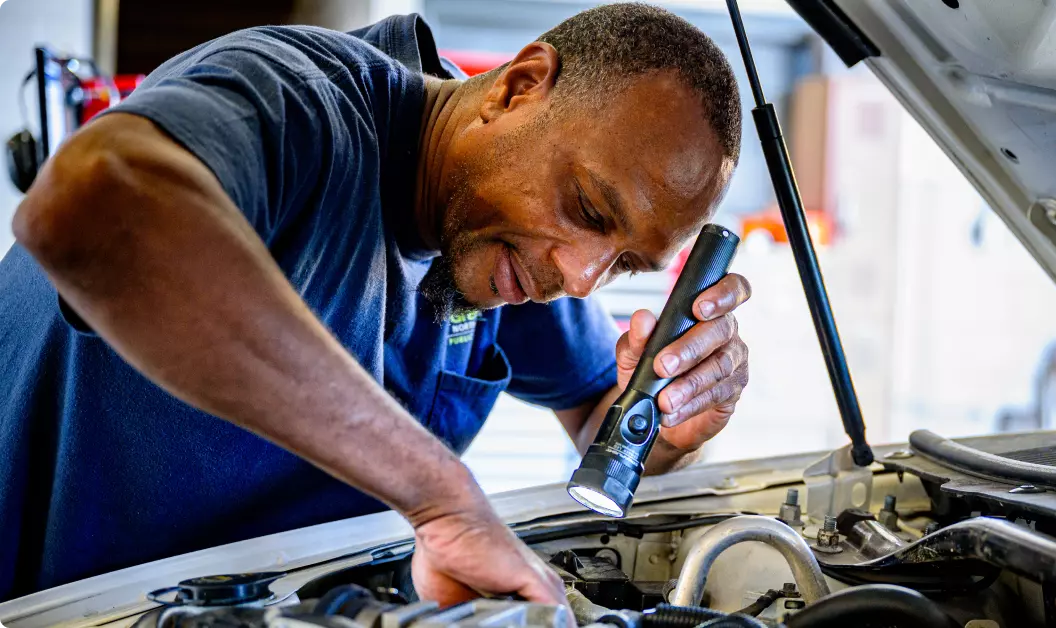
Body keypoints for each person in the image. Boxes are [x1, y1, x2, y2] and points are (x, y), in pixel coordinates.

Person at [0, 3, 751, 607]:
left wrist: (666, 425)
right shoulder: (296, 102)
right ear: (519, 88)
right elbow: (84, 211)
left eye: (625, 263)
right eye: (588, 208)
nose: (582, 278)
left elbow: (599, 412)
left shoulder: (514, 238)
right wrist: (441, 494)